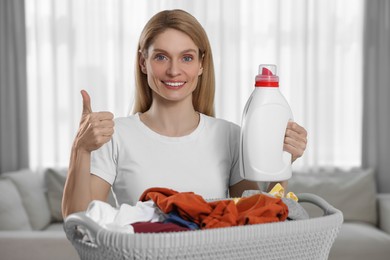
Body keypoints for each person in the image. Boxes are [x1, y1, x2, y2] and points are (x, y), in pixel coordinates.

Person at [62, 9, 307, 218]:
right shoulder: (114, 136)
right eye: (161, 57)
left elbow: (258, 217)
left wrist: (282, 162)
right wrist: (80, 149)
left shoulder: (230, 137)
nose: (173, 70)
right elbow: (81, 222)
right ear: (143, 62)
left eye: (187, 58)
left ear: (201, 64)